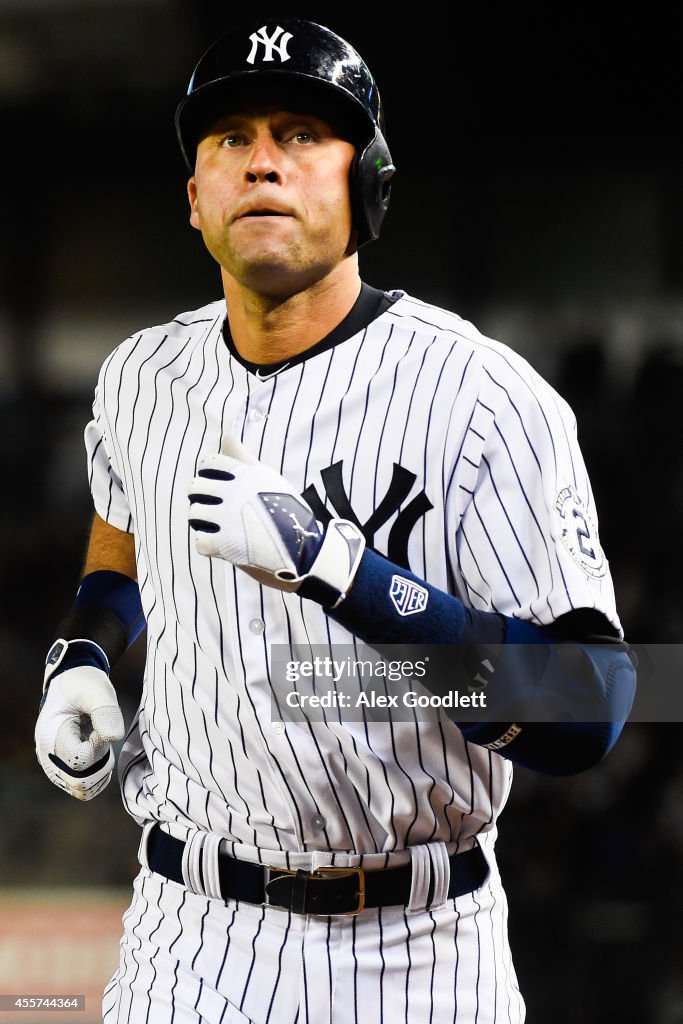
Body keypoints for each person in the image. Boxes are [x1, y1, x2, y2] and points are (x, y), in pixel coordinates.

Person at [34, 16, 636, 1024]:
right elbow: (121, 526)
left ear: (368, 187)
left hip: (420, 948)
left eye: (302, 134)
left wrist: (340, 570)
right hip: (190, 938)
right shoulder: (139, 376)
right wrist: (85, 651)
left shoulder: (481, 396)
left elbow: (592, 708)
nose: (262, 161)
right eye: (231, 138)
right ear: (195, 199)